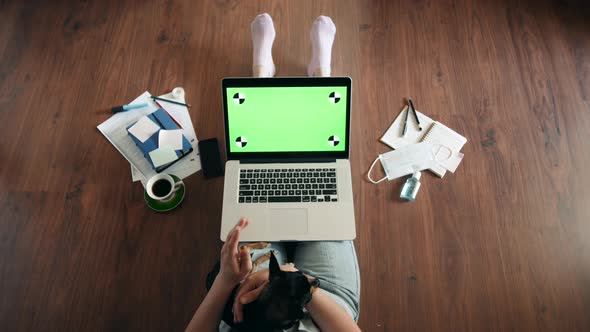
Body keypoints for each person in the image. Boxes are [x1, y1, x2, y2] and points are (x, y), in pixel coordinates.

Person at [185, 14, 360, 332]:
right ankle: (321, 75)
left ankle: (261, 74)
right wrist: (303, 286)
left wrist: (225, 283)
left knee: (247, 235)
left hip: (247, 308)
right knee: (329, 221)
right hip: (321, 304)